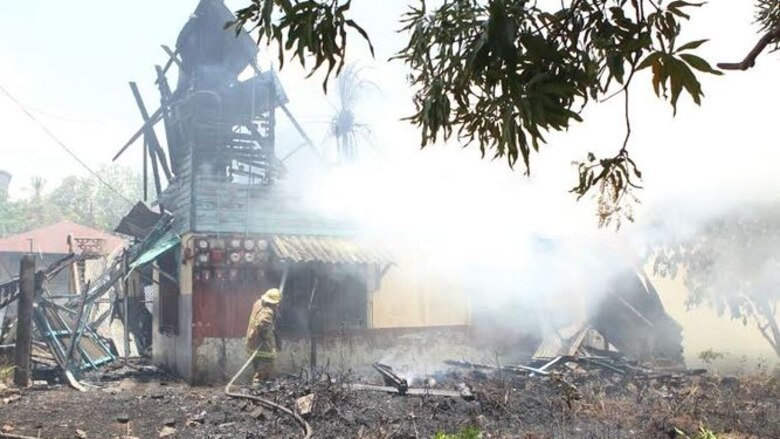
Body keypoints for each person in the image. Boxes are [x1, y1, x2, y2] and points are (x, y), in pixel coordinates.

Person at [246, 288, 281, 383]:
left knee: (257, 366)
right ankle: (257, 387)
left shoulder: (258, 303)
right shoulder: (268, 312)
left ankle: (259, 384)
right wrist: (268, 336)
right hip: (262, 347)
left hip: (252, 342)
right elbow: (262, 326)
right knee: (265, 367)